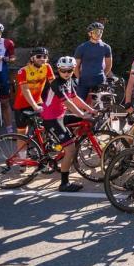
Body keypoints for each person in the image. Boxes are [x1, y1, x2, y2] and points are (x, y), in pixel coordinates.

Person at [41, 56, 98, 192]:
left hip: (60, 116)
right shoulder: (56, 83)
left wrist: (90, 109)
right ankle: (64, 184)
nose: (66, 73)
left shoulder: (70, 80)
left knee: (82, 122)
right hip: (51, 118)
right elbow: (68, 103)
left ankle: (60, 146)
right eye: (63, 71)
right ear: (58, 70)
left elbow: (75, 97)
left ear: (73, 70)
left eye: (69, 71)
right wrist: (81, 113)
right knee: (71, 149)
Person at [13, 47, 54, 136]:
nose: (42, 59)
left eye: (45, 56)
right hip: (22, 105)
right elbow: (25, 89)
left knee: (43, 129)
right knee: (22, 132)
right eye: (39, 56)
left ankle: (39, 148)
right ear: (32, 58)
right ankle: (22, 150)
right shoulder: (23, 71)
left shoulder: (47, 67)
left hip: (38, 102)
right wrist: (34, 106)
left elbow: (54, 85)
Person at [73, 22, 113, 101]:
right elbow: (75, 66)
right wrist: (80, 78)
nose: (99, 34)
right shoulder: (81, 47)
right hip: (84, 79)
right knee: (79, 104)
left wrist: (103, 75)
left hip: (99, 79)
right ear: (89, 33)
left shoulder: (106, 47)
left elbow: (109, 65)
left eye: (101, 31)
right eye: (96, 32)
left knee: (100, 104)